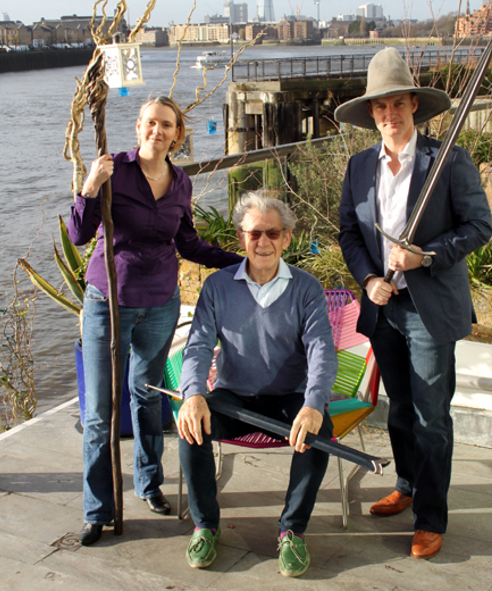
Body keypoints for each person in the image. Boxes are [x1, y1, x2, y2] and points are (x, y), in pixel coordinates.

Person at [335, 48, 492, 559]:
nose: (389, 115)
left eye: (398, 104)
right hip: (383, 309)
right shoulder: (359, 167)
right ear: (371, 114)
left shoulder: (448, 160)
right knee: (399, 410)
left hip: (428, 312)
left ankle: (430, 516)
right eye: (380, 107)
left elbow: (478, 227)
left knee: (431, 417)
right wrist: (369, 278)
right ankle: (406, 485)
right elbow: (349, 234)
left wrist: (425, 257)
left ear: (414, 106)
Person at [67, 94, 242, 546]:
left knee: (146, 399)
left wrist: (240, 262)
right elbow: (79, 235)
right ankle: (97, 509)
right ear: (139, 127)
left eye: (166, 124)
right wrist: (89, 187)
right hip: (110, 301)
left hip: (160, 304)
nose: (157, 131)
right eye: (149, 123)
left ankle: (149, 485)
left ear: (177, 134)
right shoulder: (114, 170)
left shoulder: (180, 183)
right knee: (100, 413)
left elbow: (189, 244)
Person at [178, 190, 338, 577]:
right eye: (254, 234)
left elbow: (321, 351)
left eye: (272, 233)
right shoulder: (218, 287)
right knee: (190, 429)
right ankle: (205, 525)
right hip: (233, 397)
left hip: (289, 398)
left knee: (319, 435)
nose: (263, 242)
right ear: (241, 238)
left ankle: (292, 531)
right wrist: (194, 394)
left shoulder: (306, 288)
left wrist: (314, 404)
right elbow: (198, 344)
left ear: (286, 238)